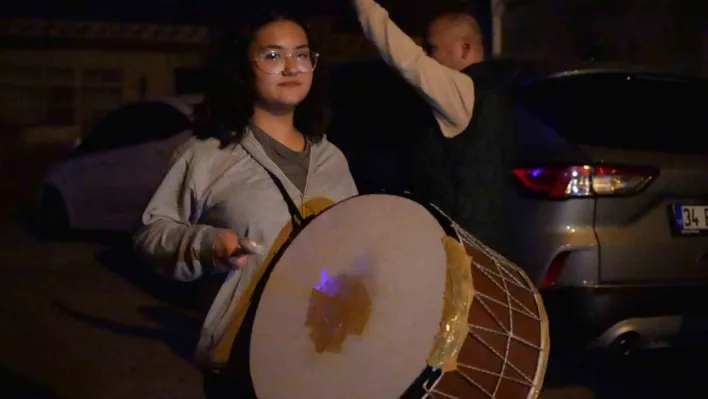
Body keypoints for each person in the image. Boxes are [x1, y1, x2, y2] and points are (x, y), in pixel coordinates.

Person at [133, 9, 358, 398]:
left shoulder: (332, 158)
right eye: (273, 55)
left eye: (302, 54)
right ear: (242, 68)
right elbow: (151, 234)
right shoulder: (206, 155)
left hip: (326, 362)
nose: (291, 67)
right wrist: (208, 246)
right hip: (243, 363)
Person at [352, 0, 517, 257]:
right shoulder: (494, 91)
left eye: (432, 48)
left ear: (465, 48)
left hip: (463, 251)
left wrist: (364, 6)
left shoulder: (461, 90)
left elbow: (406, 59)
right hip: (483, 247)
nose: (428, 56)